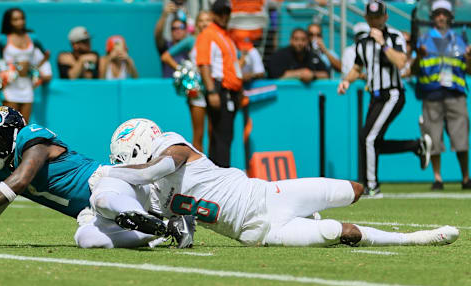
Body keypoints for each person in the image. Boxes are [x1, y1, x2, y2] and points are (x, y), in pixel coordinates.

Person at [88, 119, 459, 248]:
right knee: (335, 232)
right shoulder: (151, 195)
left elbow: (150, 171)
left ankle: (311, 214)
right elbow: (162, 226)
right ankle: (413, 238)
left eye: (124, 158)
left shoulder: (172, 145)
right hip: (256, 232)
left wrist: (109, 171)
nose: (124, 165)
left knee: (353, 190)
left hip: (269, 194)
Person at [0, 106, 191, 249]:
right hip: (88, 210)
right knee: (86, 238)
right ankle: (161, 231)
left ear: (2, 137)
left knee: (102, 198)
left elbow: (22, 180)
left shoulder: (32, 139)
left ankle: (145, 216)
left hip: (108, 183)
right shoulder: (1, 173)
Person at [338, 0, 431, 198]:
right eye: (371, 17)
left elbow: (400, 61)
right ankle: (416, 146)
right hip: (375, 96)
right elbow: (357, 68)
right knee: (372, 141)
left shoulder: (394, 36)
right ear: (366, 18)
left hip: (393, 94)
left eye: (378, 17)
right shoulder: (362, 43)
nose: (374, 21)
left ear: (385, 17)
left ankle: (372, 187)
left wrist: (382, 43)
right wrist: (346, 81)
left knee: (368, 137)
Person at [413, 0, 471, 190]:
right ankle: (438, 179)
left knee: (461, 138)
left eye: (444, 14)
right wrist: (419, 56)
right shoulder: (423, 39)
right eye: (437, 13)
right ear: (432, 17)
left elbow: (468, 70)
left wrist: (469, 58)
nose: (441, 17)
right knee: (433, 138)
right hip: (432, 95)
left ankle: (465, 178)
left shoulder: (461, 39)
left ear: (450, 17)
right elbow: (414, 69)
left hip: (455, 93)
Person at [196, 0, 242, 168]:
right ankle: (223, 176)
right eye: (220, 12)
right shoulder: (208, 34)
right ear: (213, 14)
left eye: (227, 12)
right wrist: (211, 91)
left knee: (222, 137)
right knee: (222, 137)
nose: (224, 16)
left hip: (230, 90)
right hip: (219, 89)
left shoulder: (225, 34)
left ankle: (217, 174)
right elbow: (204, 63)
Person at [0, 8, 50, 121]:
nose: (20, 22)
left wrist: (35, 69)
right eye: (15, 19)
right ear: (9, 22)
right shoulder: (3, 39)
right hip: (10, 86)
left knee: (24, 125)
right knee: (9, 124)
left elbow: (47, 54)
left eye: (22, 18)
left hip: (27, 85)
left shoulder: (32, 38)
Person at [161, 10, 213, 152]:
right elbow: (166, 56)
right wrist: (185, 72)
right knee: (199, 134)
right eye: (201, 20)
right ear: (196, 24)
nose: (204, 24)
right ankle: (199, 169)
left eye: (207, 20)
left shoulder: (216, 40)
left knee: (214, 132)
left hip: (215, 88)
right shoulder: (191, 40)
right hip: (197, 91)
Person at [155, 2, 189, 78]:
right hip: (168, 86)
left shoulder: (190, 48)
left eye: (181, 27)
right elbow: (158, 34)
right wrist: (164, 15)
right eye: (174, 28)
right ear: (171, 31)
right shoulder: (166, 46)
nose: (177, 30)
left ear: (186, 29)